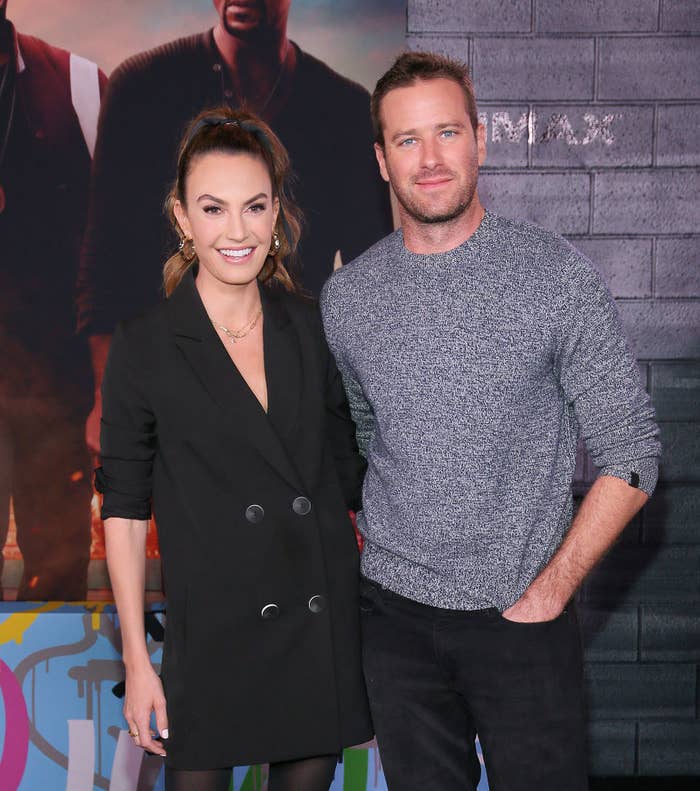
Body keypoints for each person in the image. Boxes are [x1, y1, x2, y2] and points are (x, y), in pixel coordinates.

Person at [320, 52, 662, 791]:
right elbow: (365, 438)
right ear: (381, 160)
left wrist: (551, 589)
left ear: (482, 138)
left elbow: (633, 453)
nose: (431, 158)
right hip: (395, 624)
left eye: (448, 132)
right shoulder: (346, 298)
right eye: (408, 140)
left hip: (523, 622)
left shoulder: (555, 275)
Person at [97, 106, 371, 790]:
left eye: (254, 206)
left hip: (314, 627)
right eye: (213, 209)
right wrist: (137, 659)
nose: (237, 231)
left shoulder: (314, 328)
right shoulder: (144, 345)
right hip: (210, 636)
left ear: (277, 212)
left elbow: (353, 474)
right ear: (183, 217)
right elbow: (126, 510)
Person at [78, 0, 392, 455]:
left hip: (294, 409)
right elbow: (105, 261)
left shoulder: (344, 108)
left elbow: (374, 284)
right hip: (165, 404)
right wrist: (107, 398)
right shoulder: (142, 87)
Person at [0, 0, 106, 599]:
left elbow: (117, 256)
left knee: (57, 590)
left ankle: (36, 695)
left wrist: (108, 391)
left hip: (55, 396)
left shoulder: (80, 87)